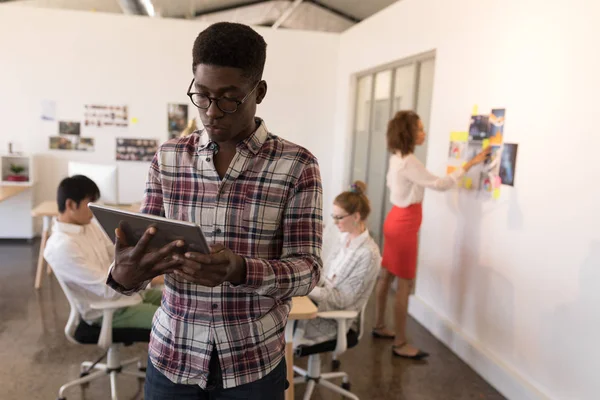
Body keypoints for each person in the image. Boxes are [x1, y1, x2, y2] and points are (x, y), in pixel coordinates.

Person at [105, 22, 323, 399]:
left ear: (260, 92)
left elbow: (308, 270)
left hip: (252, 362)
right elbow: (146, 250)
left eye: (228, 98)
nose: (212, 112)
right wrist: (126, 275)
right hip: (173, 355)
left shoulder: (297, 165)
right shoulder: (169, 158)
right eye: (202, 95)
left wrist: (240, 269)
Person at [373, 110, 489, 359]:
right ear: (409, 132)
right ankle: (401, 343)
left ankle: (379, 325)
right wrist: (471, 163)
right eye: (420, 128)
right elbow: (439, 184)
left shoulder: (397, 157)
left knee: (386, 276)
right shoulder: (409, 162)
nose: (424, 133)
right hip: (404, 224)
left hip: (394, 218)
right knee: (405, 283)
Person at [43, 175, 162, 330]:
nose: (93, 208)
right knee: (172, 324)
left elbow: (116, 256)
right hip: (109, 310)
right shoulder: (61, 247)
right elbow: (107, 290)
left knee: (179, 304)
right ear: (71, 205)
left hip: (129, 294)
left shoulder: (89, 226)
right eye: (89, 203)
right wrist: (151, 279)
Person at [293, 181, 381, 347]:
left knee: (279, 325)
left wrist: (306, 288)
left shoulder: (368, 254)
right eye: (333, 216)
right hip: (318, 305)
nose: (334, 222)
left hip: (331, 320)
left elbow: (342, 300)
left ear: (356, 216)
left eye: (339, 217)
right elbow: (324, 276)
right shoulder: (344, 238)